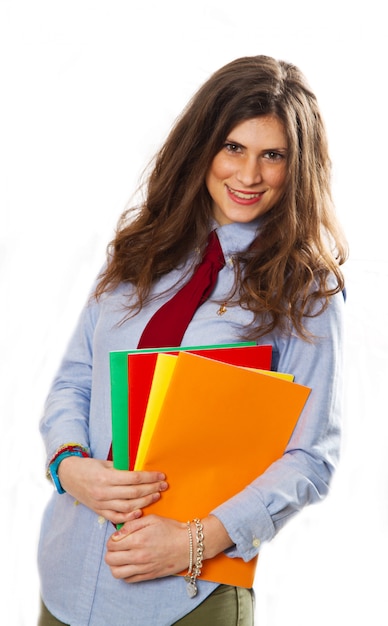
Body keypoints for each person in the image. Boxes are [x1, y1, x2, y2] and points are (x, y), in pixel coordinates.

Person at [38, 54, 348, 626]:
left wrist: (194, 542)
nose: (249, 175)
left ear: (296, 166)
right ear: (202, 146)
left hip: (185, 599)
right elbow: (76, 378)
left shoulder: (306, 289)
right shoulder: (139, 249)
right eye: (234, 147)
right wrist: (70, 465)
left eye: (272, 155)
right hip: (67, 577)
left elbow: (310, 457)